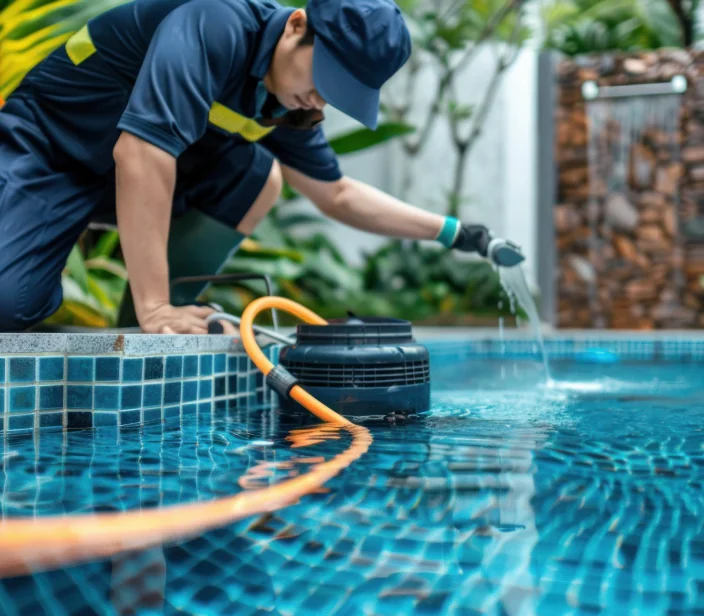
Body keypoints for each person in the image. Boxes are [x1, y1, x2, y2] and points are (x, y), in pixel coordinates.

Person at [0, 0, 494, 335]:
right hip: (48, 151)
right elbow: (142, 154)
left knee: (257, 177)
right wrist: (156, 307)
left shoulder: (285, 97)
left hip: (113, 179)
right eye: (325, 76)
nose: (322, 97)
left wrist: (454, 232)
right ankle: (155, 312)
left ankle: (152, 333)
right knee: (9, 303)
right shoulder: (214, 23)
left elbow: (336, 194)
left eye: (339, 92)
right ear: (298, 25)